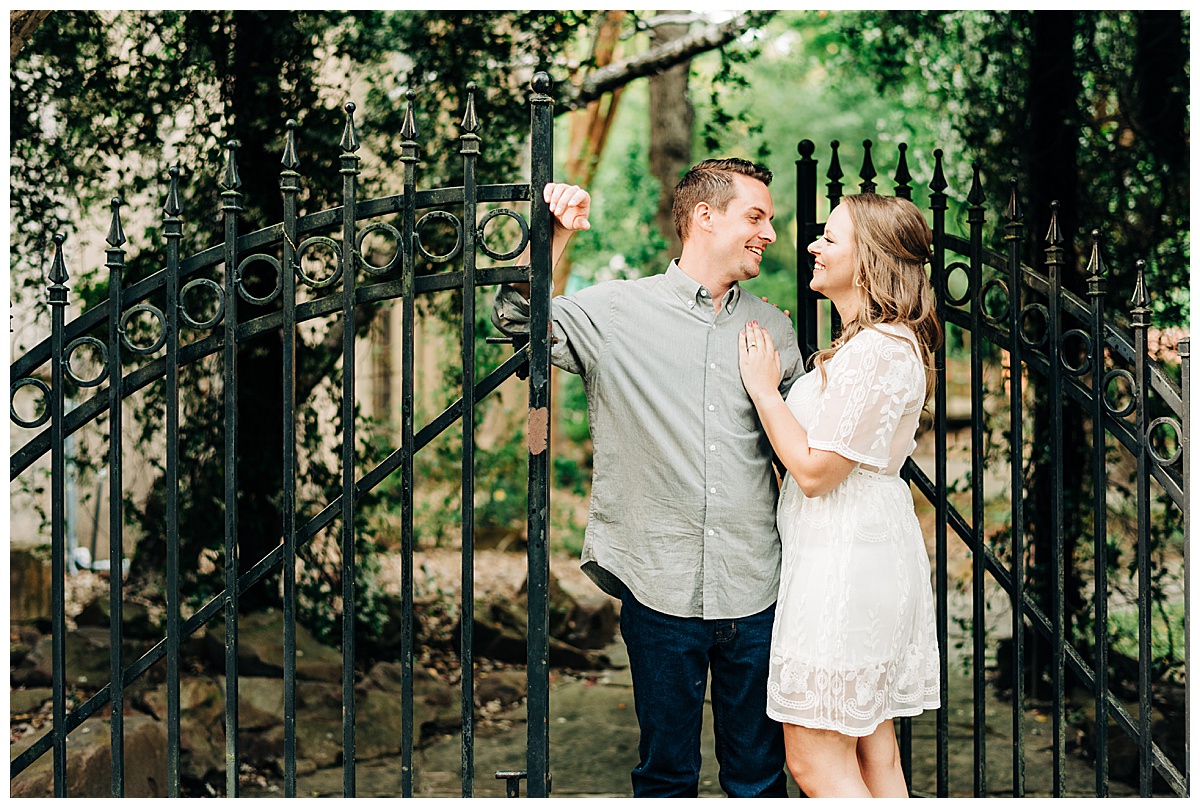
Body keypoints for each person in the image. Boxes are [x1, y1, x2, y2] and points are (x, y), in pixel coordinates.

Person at [492, 159, 804, 797]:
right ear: (704, 217)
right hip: (655, 580)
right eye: (756, 216)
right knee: (665, 776)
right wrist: (556, 236)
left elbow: (801, 447)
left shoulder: (773, 327)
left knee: (760, 777)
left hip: (759, 587)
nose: (770, 232)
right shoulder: (614, 313)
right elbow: (517, 323)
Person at [737, 192, 942, 797]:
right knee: (877, 758)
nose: (812, 245)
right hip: (851, 552)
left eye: (830, 237)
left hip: (845, 566)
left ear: (871, 257)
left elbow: (815, 471)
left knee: (815, 762)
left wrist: (764, 390)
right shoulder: (872, 345)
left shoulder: (879, 351)